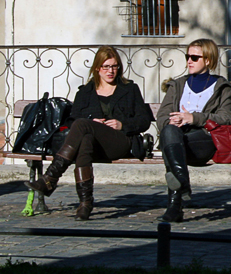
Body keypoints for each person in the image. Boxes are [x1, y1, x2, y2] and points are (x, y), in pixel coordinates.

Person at [26, 45, 152, 220]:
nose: (111, 71)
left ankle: (51, 178)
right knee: (84, 137)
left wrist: (121, 124)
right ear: (97, 68)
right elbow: (72, 121)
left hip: (120, 142)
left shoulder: (130, 89)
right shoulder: (85, 92)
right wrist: (93, 122)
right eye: (106, 67)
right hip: (94, 144)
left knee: (83, 126)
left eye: (114, 66)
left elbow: (144, 120)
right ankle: (85, 203)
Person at [157, 38, 231, 222]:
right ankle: (181, 185)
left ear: (208, 60)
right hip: (176, 139)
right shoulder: (177, 85)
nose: (189, 61)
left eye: (194, 57)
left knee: (172, 145)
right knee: (170, 133)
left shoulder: (221, 87)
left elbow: (227, 118)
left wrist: (193, 118)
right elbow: (161, 116)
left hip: (204, 140)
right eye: (187, 56)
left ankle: (175, 204)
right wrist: (174, 121)